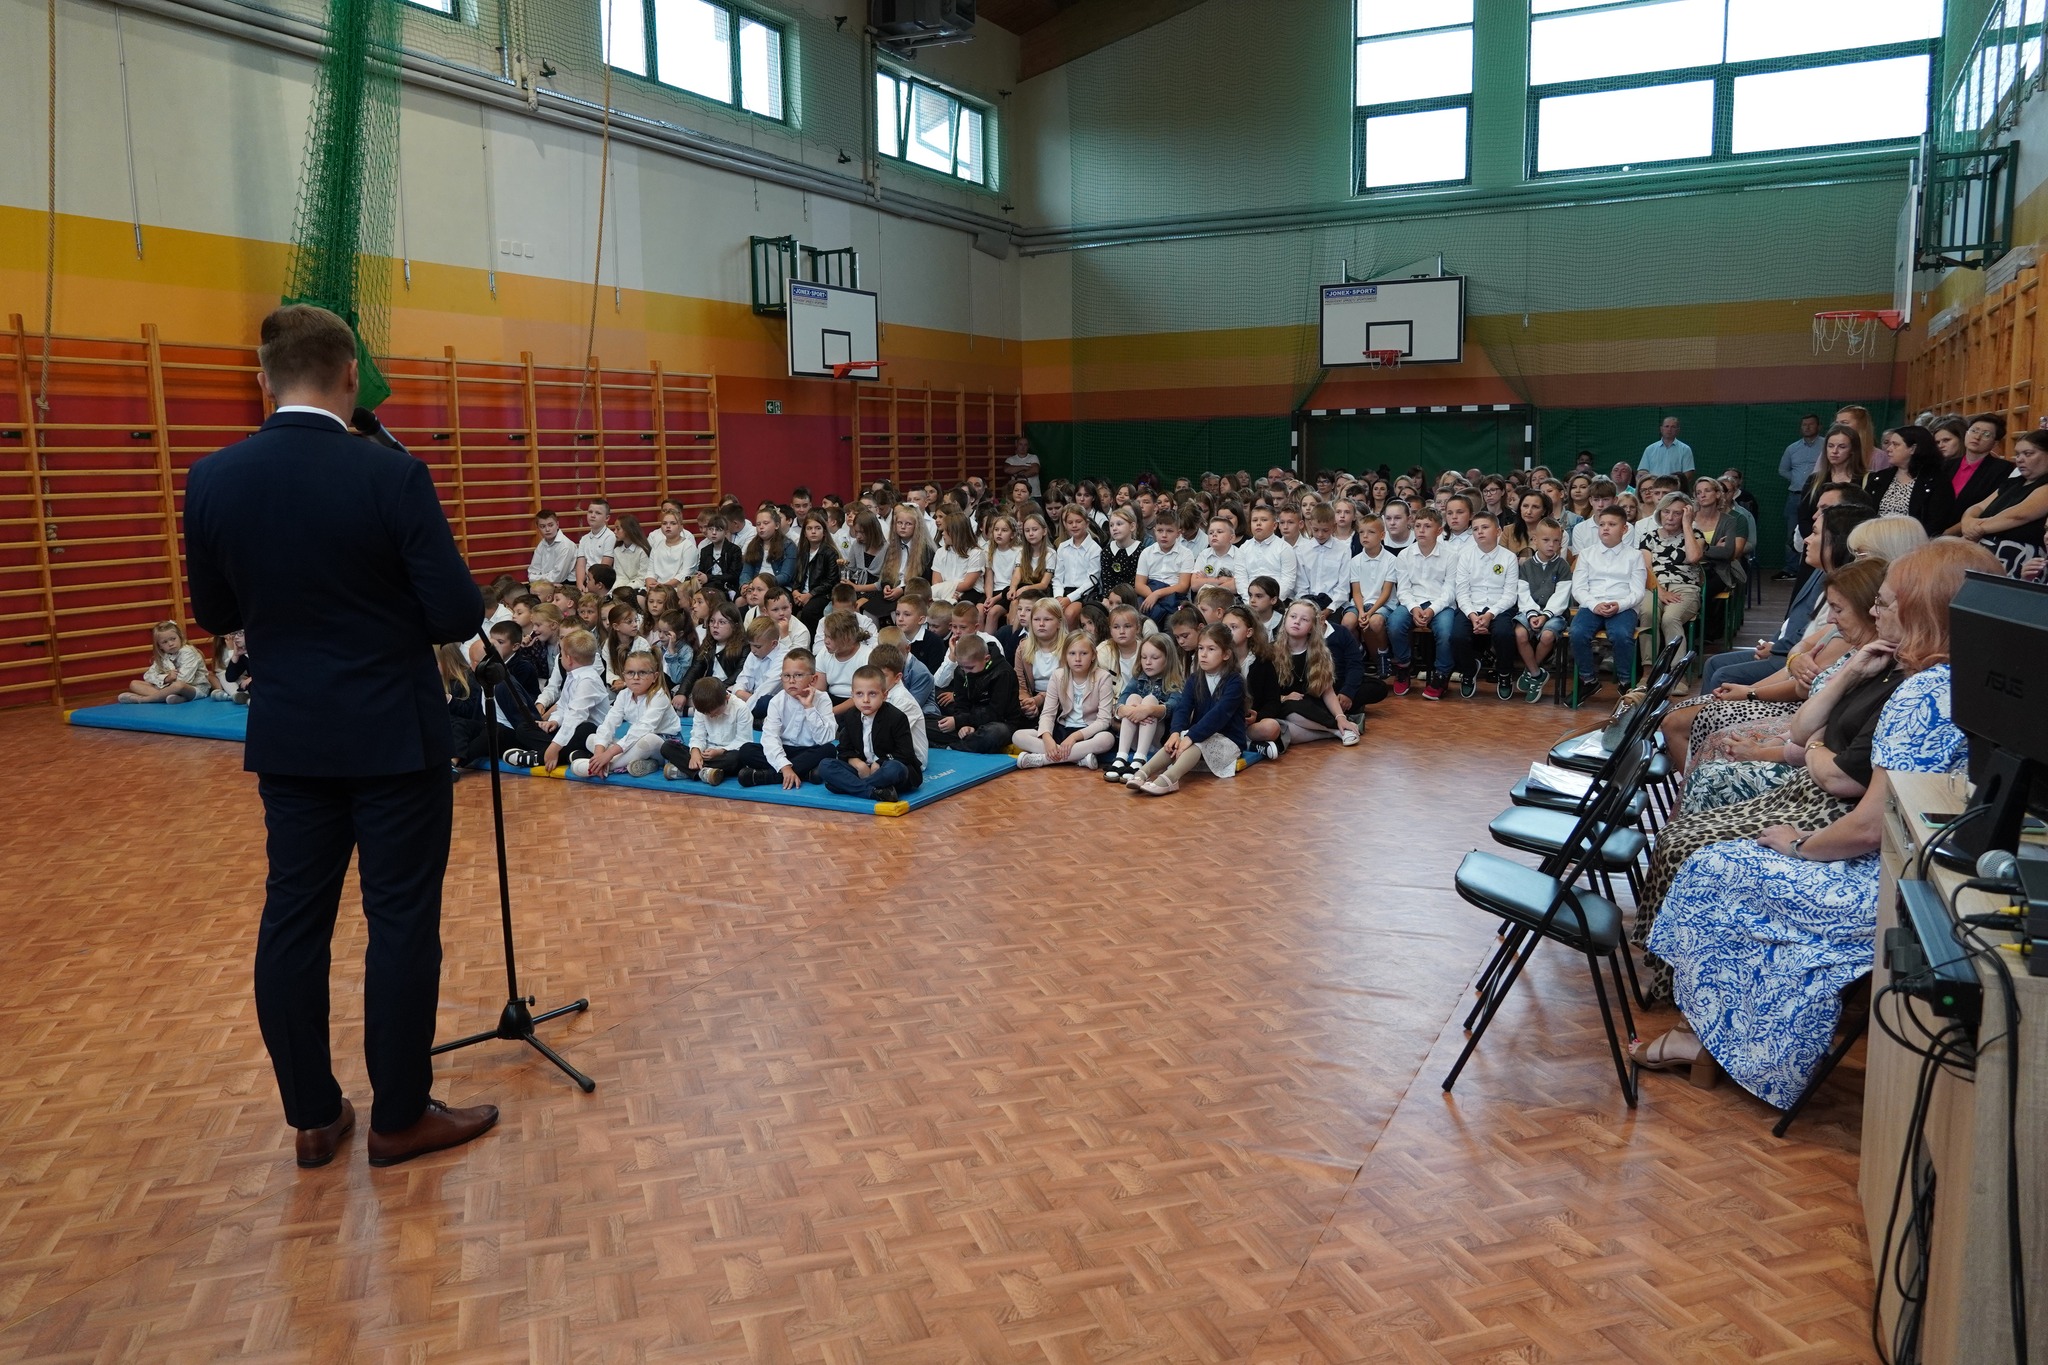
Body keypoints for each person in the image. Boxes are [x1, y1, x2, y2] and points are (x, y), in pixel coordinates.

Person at [182, 303, 495, 1169]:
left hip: (291, 734)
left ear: (264, 380)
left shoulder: (212, 477)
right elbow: (457, 612)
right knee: (400, 921)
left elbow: (216, 610)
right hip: (394, 733)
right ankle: (399, 1115)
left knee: (292, 919)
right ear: (352, 374)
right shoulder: (390, 474)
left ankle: (314, 1117)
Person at [1633, 540, 2002, 1102]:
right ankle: (1714, 1033)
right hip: (1930, 879)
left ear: (1923, 612)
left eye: (1884, 602)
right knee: (1722, 864)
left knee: (1710, 869)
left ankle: (1712, 1039)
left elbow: (1869, 826)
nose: (1874, 611)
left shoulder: (1925, 694)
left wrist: (1798, 845)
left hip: (1888, 886)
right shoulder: (1971, 681)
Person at [1125, 624, 1246, 795]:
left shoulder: (1235, 681)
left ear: (1226, 654)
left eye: (1211, 649)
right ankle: (1143, 772)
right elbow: (1183, 708)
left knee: (1196, 741)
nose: (1203, 654)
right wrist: (1176, 733)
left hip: (1228, 739)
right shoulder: (1194, 679)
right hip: (1200, 733)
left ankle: (1170, 778)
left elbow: (1218, 715)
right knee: (1176, 741)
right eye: (1201, 648)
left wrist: (1191, 736)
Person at [1566, 507, 1645, 705]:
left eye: (1612, 524)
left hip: (1622, 606)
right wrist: (1594, 605)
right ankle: (1588, 680)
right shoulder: (1586, 554)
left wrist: (1619, 605)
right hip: (1592, 604)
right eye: (1602, 525)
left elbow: (1638, 592)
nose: (1605, 528)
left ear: (1624, 529)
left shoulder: (1634, 556)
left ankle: (1626, 682)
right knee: (1577, 632)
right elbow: (1578, 589)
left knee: (1621, 634)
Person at [816, 665, 922, 802]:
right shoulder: (851, 716)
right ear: (852, 695)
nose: (865, 700)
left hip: (887, 770)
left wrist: (879, 763)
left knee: (894, 769)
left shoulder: (896, 717)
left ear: (884, 695)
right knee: (825, 765)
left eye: (872, 694)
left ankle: (849, 786)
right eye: (859, 694)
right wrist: (856, 763)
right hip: (862, 770)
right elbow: (844, 750)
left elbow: (905, 754)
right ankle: (874, 791)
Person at [1014, 634, 1116, 769]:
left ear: (1093, 655)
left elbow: (1103, 720)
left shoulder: (1103, 677)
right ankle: (1078, 758)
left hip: (1088, 732)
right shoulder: (1058, 675)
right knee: (1018, 736)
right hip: (1063, 729)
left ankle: (1043, 759)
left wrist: (1075, 737)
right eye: (1072, 653)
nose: (1077, 659)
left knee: (1107, 739)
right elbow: (1048, 713)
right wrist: (1047, 738)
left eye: (1084, 653)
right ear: (1065, 656)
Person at [1958, 424, 2048, 576]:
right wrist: (1967, 521)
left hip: (2021, 560)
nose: (2020, 459)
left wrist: (1976, 528)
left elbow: (2018, 515)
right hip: (1985, 554)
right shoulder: (2013, 482)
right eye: (2017, 454)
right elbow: (1978, 507)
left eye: (2028, 454)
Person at [571, 655, 679, 778]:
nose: (636, 677)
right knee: (592, 739)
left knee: (649, 739)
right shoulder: (624, 695)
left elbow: (642, 729)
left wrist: (608, 755)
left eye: (642, 673)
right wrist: (599, 753)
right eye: (630, 673)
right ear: (623, 676)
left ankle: (604, 767)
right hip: (635, 742)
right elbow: (609, 724)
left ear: (655, 677)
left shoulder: (659, 696)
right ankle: (646, 764)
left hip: (663, 745)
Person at [1865, 425, 1957, 543]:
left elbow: (1936, 523)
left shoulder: (1937, 481)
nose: (1889, 449)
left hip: (1916, 545)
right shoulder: (1879, 477)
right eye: (1889, 444)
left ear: (1913, 449)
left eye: (1895, 444)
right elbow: (1865, 512)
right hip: (1876, 541)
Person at [119, 620, 209, 704]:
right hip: (169, 688)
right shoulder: (163, 656)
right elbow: (148, 676)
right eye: (164, 642)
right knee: (134, 684)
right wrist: (166, 678)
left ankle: (144, 699)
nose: (170, 644)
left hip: (194, 688)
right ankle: (170, 697)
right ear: (160, 646)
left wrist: (168, 683)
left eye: (173, 639)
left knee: (178, 686)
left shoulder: (188, 652)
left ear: (180, 637)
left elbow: (184, 680)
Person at [528, 509, 577, 585]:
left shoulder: (566, 546)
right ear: (538, 528)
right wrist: (537, 579)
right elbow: (532, 573)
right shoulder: (541, 544)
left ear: (557, 525)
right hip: (545, 585)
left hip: (566, 585)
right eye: (542, 526)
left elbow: (557, 578)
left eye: (550, 525)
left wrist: (536, 578)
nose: (547, 529)